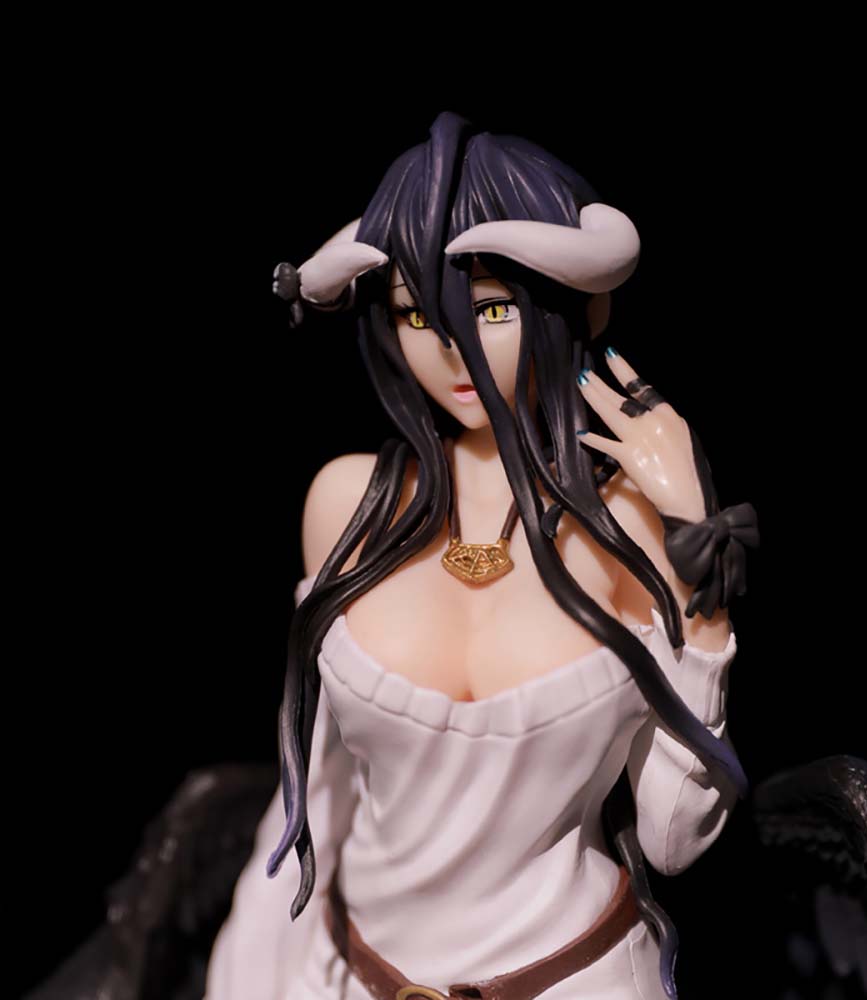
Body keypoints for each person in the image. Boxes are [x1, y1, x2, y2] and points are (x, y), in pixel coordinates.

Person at [204, 110, 757, 1000]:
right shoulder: (346, 504)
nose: (451, 347)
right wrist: (254, 968)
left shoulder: (630, 529)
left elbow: (674, 838)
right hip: (342, 974)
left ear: (574, 307)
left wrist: (701, 557)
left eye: (491, 309)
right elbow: (319, 784)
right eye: (415, 315)